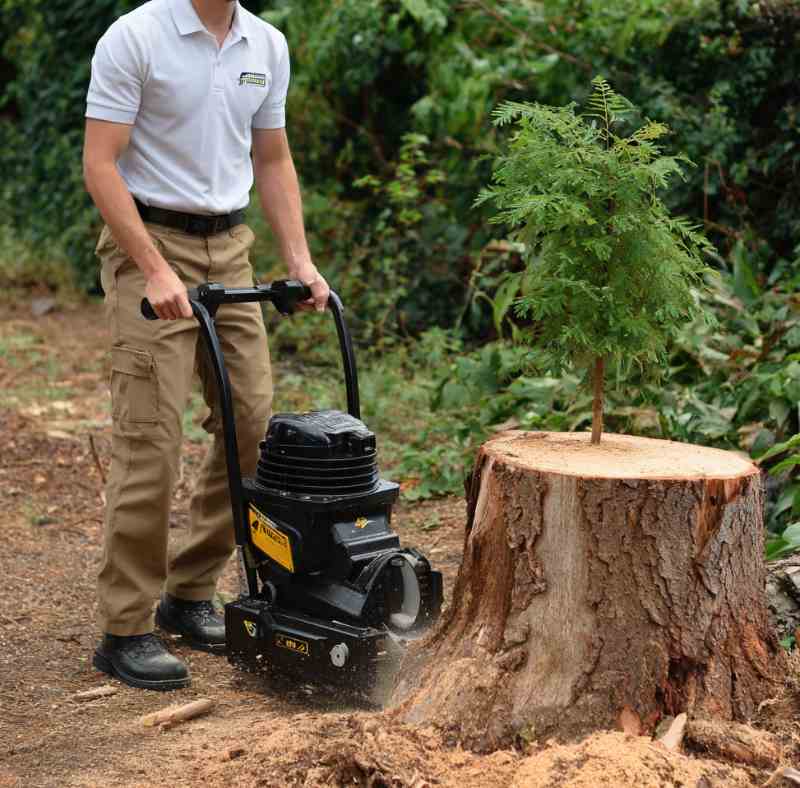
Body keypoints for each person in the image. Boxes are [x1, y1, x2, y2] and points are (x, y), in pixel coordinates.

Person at [82, 0, 329, 690]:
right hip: (148, 245)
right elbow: (101, 165)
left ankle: (190, 592)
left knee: (252, 429)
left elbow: (272, 159)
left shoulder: (266, 46)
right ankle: (125, 627)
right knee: (150, 436)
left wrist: (300, 261)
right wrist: (155, 268)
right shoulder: (136, 36)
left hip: (232, 248)